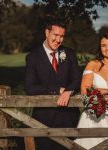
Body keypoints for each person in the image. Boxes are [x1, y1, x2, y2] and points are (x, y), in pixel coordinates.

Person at [25, 19, 81, 150]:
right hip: (44, 120)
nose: (58, 40)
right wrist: (57, 90)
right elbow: (29, 87)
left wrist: (69, 91)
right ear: (47, 32)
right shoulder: (32, 57)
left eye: (62, 36)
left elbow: (77, 79)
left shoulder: (69, 54)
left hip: (69, 118)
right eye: (55, 35)